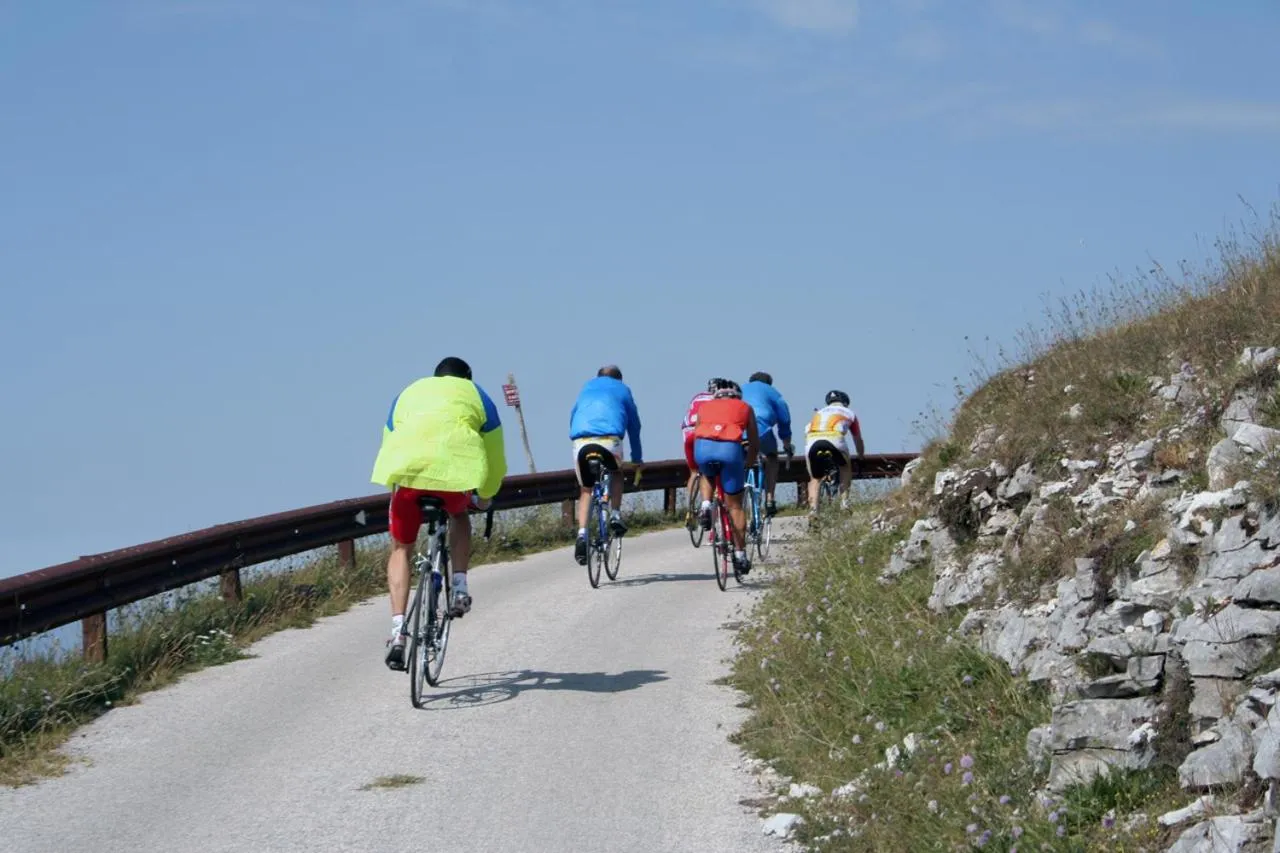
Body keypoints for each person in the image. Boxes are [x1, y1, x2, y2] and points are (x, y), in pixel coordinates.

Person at [371, 356, 507, 670]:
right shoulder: (478, 396)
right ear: (467, 379)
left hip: (407, 478)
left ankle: (397, 633)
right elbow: (495, 458)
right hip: (453, 480)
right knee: (459, 516)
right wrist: (485, 497)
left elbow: (390, 440)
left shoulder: (408, 392)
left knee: (401, 548)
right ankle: (459, 586)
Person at [569, 364, 643, 565]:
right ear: (619, 379)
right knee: (616, 472)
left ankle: (582, 534)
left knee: (586, 489)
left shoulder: (586, 387)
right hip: (609, 441)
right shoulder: (623, 389)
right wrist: (637, 459)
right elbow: (634, 426)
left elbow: (573, 417)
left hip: (581, 441)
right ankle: (616, 515)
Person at [693, 379, 759, 574]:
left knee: (707, 472)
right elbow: (754, 443)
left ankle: (705, 505)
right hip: (730, 451)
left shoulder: (704, 407)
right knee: (735, 505)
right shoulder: (745, 407)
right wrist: (748, 462)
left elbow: (697, 431)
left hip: (703, 448)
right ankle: (740, 554)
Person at [741, 371, 794, 516]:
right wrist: (787, 445)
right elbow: (784, 421)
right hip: (761, 431)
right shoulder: (773, 393)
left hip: (739, 431)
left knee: (738, 457)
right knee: (772, 457)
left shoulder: (740, 389)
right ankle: (770, 498)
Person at [804, 389, 865, 513]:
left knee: (815, 478)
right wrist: (860, 456)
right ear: (845, 403)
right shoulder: (849, 413)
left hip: (812, 441)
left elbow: (806, 430)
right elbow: (857, 439)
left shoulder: (818, 413)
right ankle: (844, 504)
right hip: (835, 439)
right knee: (845, 468)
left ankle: (813, 511)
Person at [682, 378, 723, 500]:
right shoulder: (720, 400)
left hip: (688, 435)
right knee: (716, 468)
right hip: (705, 434)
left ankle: (690, 509)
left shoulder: (697, 397)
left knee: (694, 472)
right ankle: (711, 502)